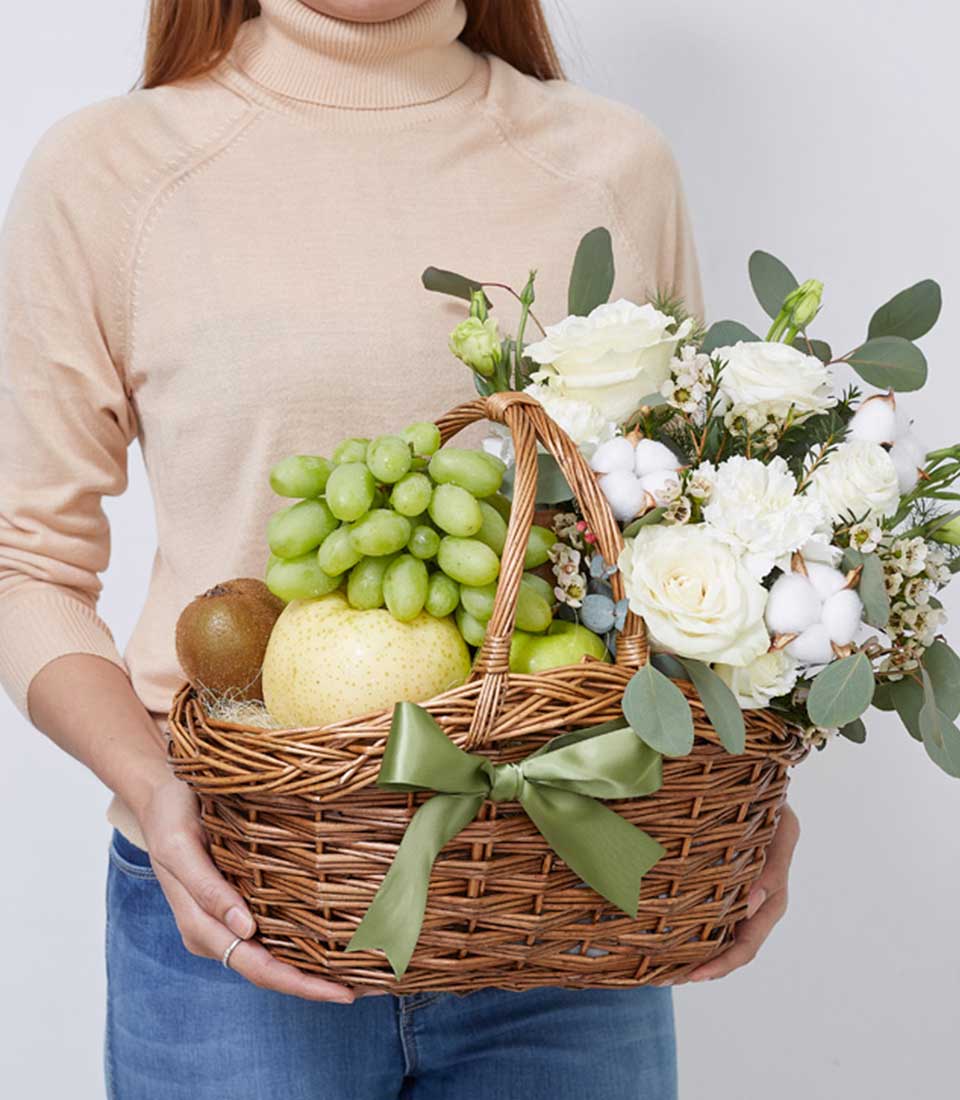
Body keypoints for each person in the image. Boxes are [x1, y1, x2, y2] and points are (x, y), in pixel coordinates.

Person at [0, 1, 800, 1096]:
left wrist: (748, 795)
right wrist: (151, 790)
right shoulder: (114, 173)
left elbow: (694, 540)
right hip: (242, 905)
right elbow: (23, 562)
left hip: (567, 893)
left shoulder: (610, 164)